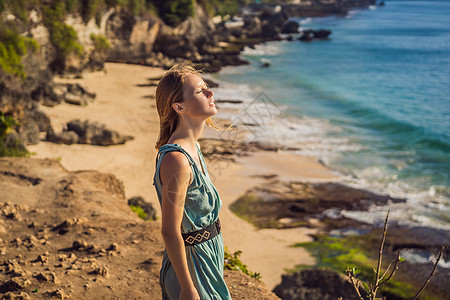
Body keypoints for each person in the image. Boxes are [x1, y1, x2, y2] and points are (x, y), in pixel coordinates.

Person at [152, 64, 233, 300]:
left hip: (206, 257)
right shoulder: (176, 159)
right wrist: (188, 288)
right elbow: (169, 230)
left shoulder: (194, 148)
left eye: (207, 88)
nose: (210, 93)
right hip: (191, 265)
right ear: (179, 107)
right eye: (200, 91)